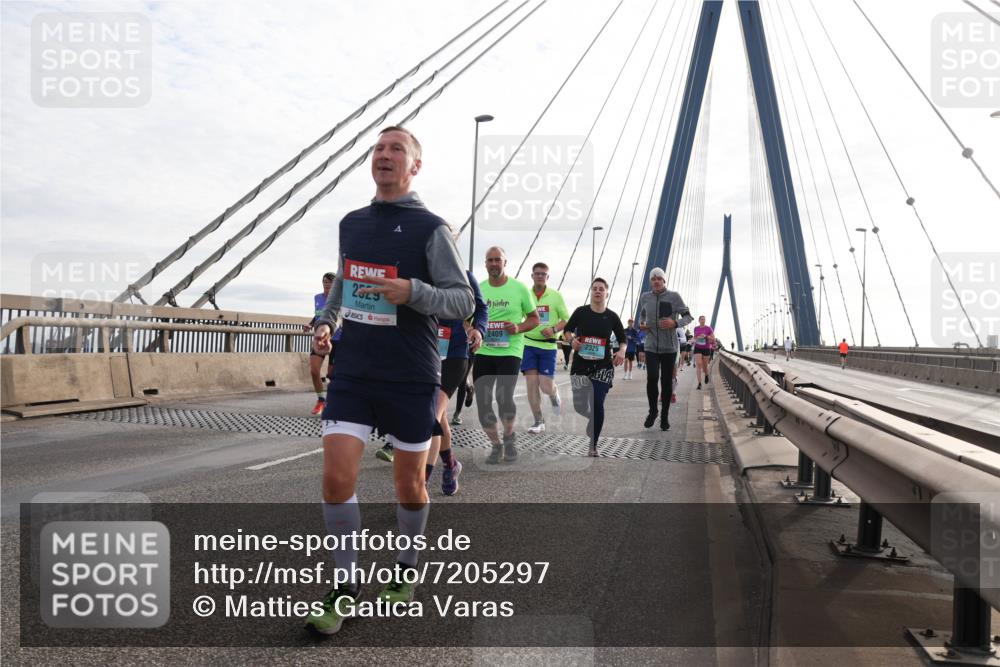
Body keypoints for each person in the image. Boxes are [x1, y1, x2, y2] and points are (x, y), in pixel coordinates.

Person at [305, 126, 474, 636]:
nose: (384, 155)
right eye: (378, 148)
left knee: (409, 485)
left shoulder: (432, 228)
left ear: (415, 166)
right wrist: (325, 326)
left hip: (409, 373)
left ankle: (405, 568)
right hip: (354, 370)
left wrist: (414, 291)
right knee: (336, 479)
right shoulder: (351, 224)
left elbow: (462, 300)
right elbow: (341, 292)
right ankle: (345, 585)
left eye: (396, 148)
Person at [474, 246, 539, 463]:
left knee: (504, 397)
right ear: (485, 264)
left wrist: (519, 328)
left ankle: (509, 436)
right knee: (483, 402)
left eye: (498, 260)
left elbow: (534, 319)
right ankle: (496, 444)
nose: (494, 263)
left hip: (510, 351)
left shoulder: (519, 288)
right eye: (490, 260)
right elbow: (466, 317)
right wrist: (471, 329)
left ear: (505, 262)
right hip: (484, 349)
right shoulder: (479, 289)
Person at [427, 270, 488, 495]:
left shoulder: (463, 275)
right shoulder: (418, 268)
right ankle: (450, 464)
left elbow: (481, 308)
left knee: (432, 413)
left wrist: (479, 330)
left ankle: (419, 485)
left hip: (454, 352)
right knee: (439, 415)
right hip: (424, 352)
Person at [563, 278, 626, 457]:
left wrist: (621, 351)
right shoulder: (581, 312)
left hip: (603, 366)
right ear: (591, 292)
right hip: (581, 365)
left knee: (597, 403)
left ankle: (593, 446)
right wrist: (572, 340)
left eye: (601, 289)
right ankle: (593, 419)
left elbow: (623, 339)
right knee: (580, 406)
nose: (598, 291)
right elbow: (567, 330)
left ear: (607, 293)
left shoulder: (612, 316)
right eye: (595, 289)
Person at [637, 267, 692, 431]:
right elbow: (642, 316)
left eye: (658, 278)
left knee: (667, 382)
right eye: (653, 279)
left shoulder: (674, 297)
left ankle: (665, 416)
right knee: (652, 378)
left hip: (669, 347)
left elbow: (688, 316)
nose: (655, 281)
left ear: (664, 281)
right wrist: (642, 325)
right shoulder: (645, 297)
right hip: (651, 345)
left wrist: (675, 323)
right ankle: (653, 411)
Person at [521, 262, 570, 435]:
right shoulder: (525, 294)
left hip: (548, 346)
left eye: (543, 274)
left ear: (547, 277)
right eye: (537, 273)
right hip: (528, 344)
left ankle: (554, 394)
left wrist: (554, 329)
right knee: (531, 384)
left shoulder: (556, 296)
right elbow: (519, 317)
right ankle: (538, 421)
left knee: (546, 386)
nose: (540, 276)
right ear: (532, 276)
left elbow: (566, 319)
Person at [306, 272, 336, 415]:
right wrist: (311, 324)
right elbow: (319, 314)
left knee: (332, 374)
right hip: (320, 338)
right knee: (314, 371)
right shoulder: (317, 298)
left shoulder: (339, 299)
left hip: (337, 339)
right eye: (325, 281)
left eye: (330, 282)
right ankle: (321, 400)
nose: (326, 284)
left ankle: (332, 401)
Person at [692, 316, 715, 389]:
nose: (703, 320)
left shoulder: (708, 328)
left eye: (704, 319)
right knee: (698, 364)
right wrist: (694, 339)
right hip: (697, 348)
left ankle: (706, 374)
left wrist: (706, 336)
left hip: (706, 348)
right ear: (699, 320)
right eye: (702, 319)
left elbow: (713, 339)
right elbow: (694, 337)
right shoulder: (696, 328)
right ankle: (699, 383)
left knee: (705, 367)